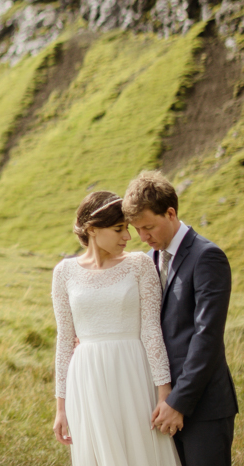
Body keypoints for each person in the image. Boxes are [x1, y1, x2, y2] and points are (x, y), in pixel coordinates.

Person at [52, 190, 181, 466]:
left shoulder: (140, 265)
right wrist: (61, 408)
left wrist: (164, 393)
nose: (128, 237)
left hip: (133, 372)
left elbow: (152, 331)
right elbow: (64, 341)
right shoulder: (64, 272)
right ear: (92, 229)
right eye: (118, 229)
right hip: (86, 378)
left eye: (127, 228)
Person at [124, 171, 238, 466]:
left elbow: (207, 337)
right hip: (158, 405)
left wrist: (178, 402)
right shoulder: (149, 260)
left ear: (171, 213)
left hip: (203, 406)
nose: (143, 237)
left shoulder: (207, 257)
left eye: (148, 227)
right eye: (137, 229)